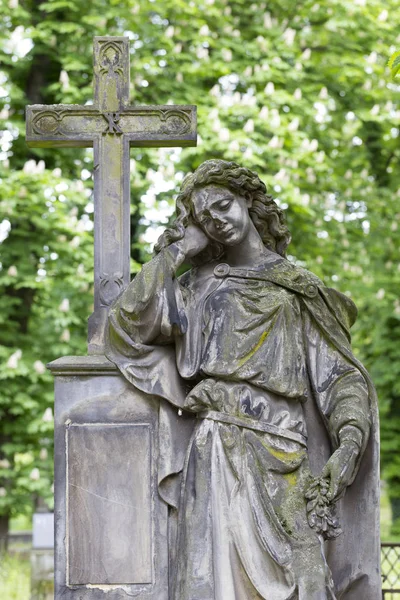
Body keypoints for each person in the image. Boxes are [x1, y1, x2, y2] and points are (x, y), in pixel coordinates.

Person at [105, 159, 380, 600]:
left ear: (249, 201)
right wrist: (176, 253)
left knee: (307, 580)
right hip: (214, 447)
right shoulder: (199, 286)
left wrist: (348, 443)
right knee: (210, 582)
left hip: (284, 450)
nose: (218, 221)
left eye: (224, 205)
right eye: (205, 217)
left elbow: (339, 377)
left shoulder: (296, 287)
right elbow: (126, 324)